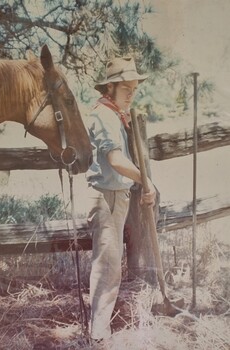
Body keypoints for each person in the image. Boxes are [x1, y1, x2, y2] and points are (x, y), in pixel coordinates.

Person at [85, 56, 156, 346]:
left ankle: (100, 330)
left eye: (135, 89)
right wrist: (145, 179)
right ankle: (99, 336)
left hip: (117, 196)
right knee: (108, 265)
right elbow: (115, 160)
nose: (131, 94)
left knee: (110, 265)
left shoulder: (115, 114)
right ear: (111, 88)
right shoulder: (104, 115)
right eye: (127, 88)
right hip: (107, 198)